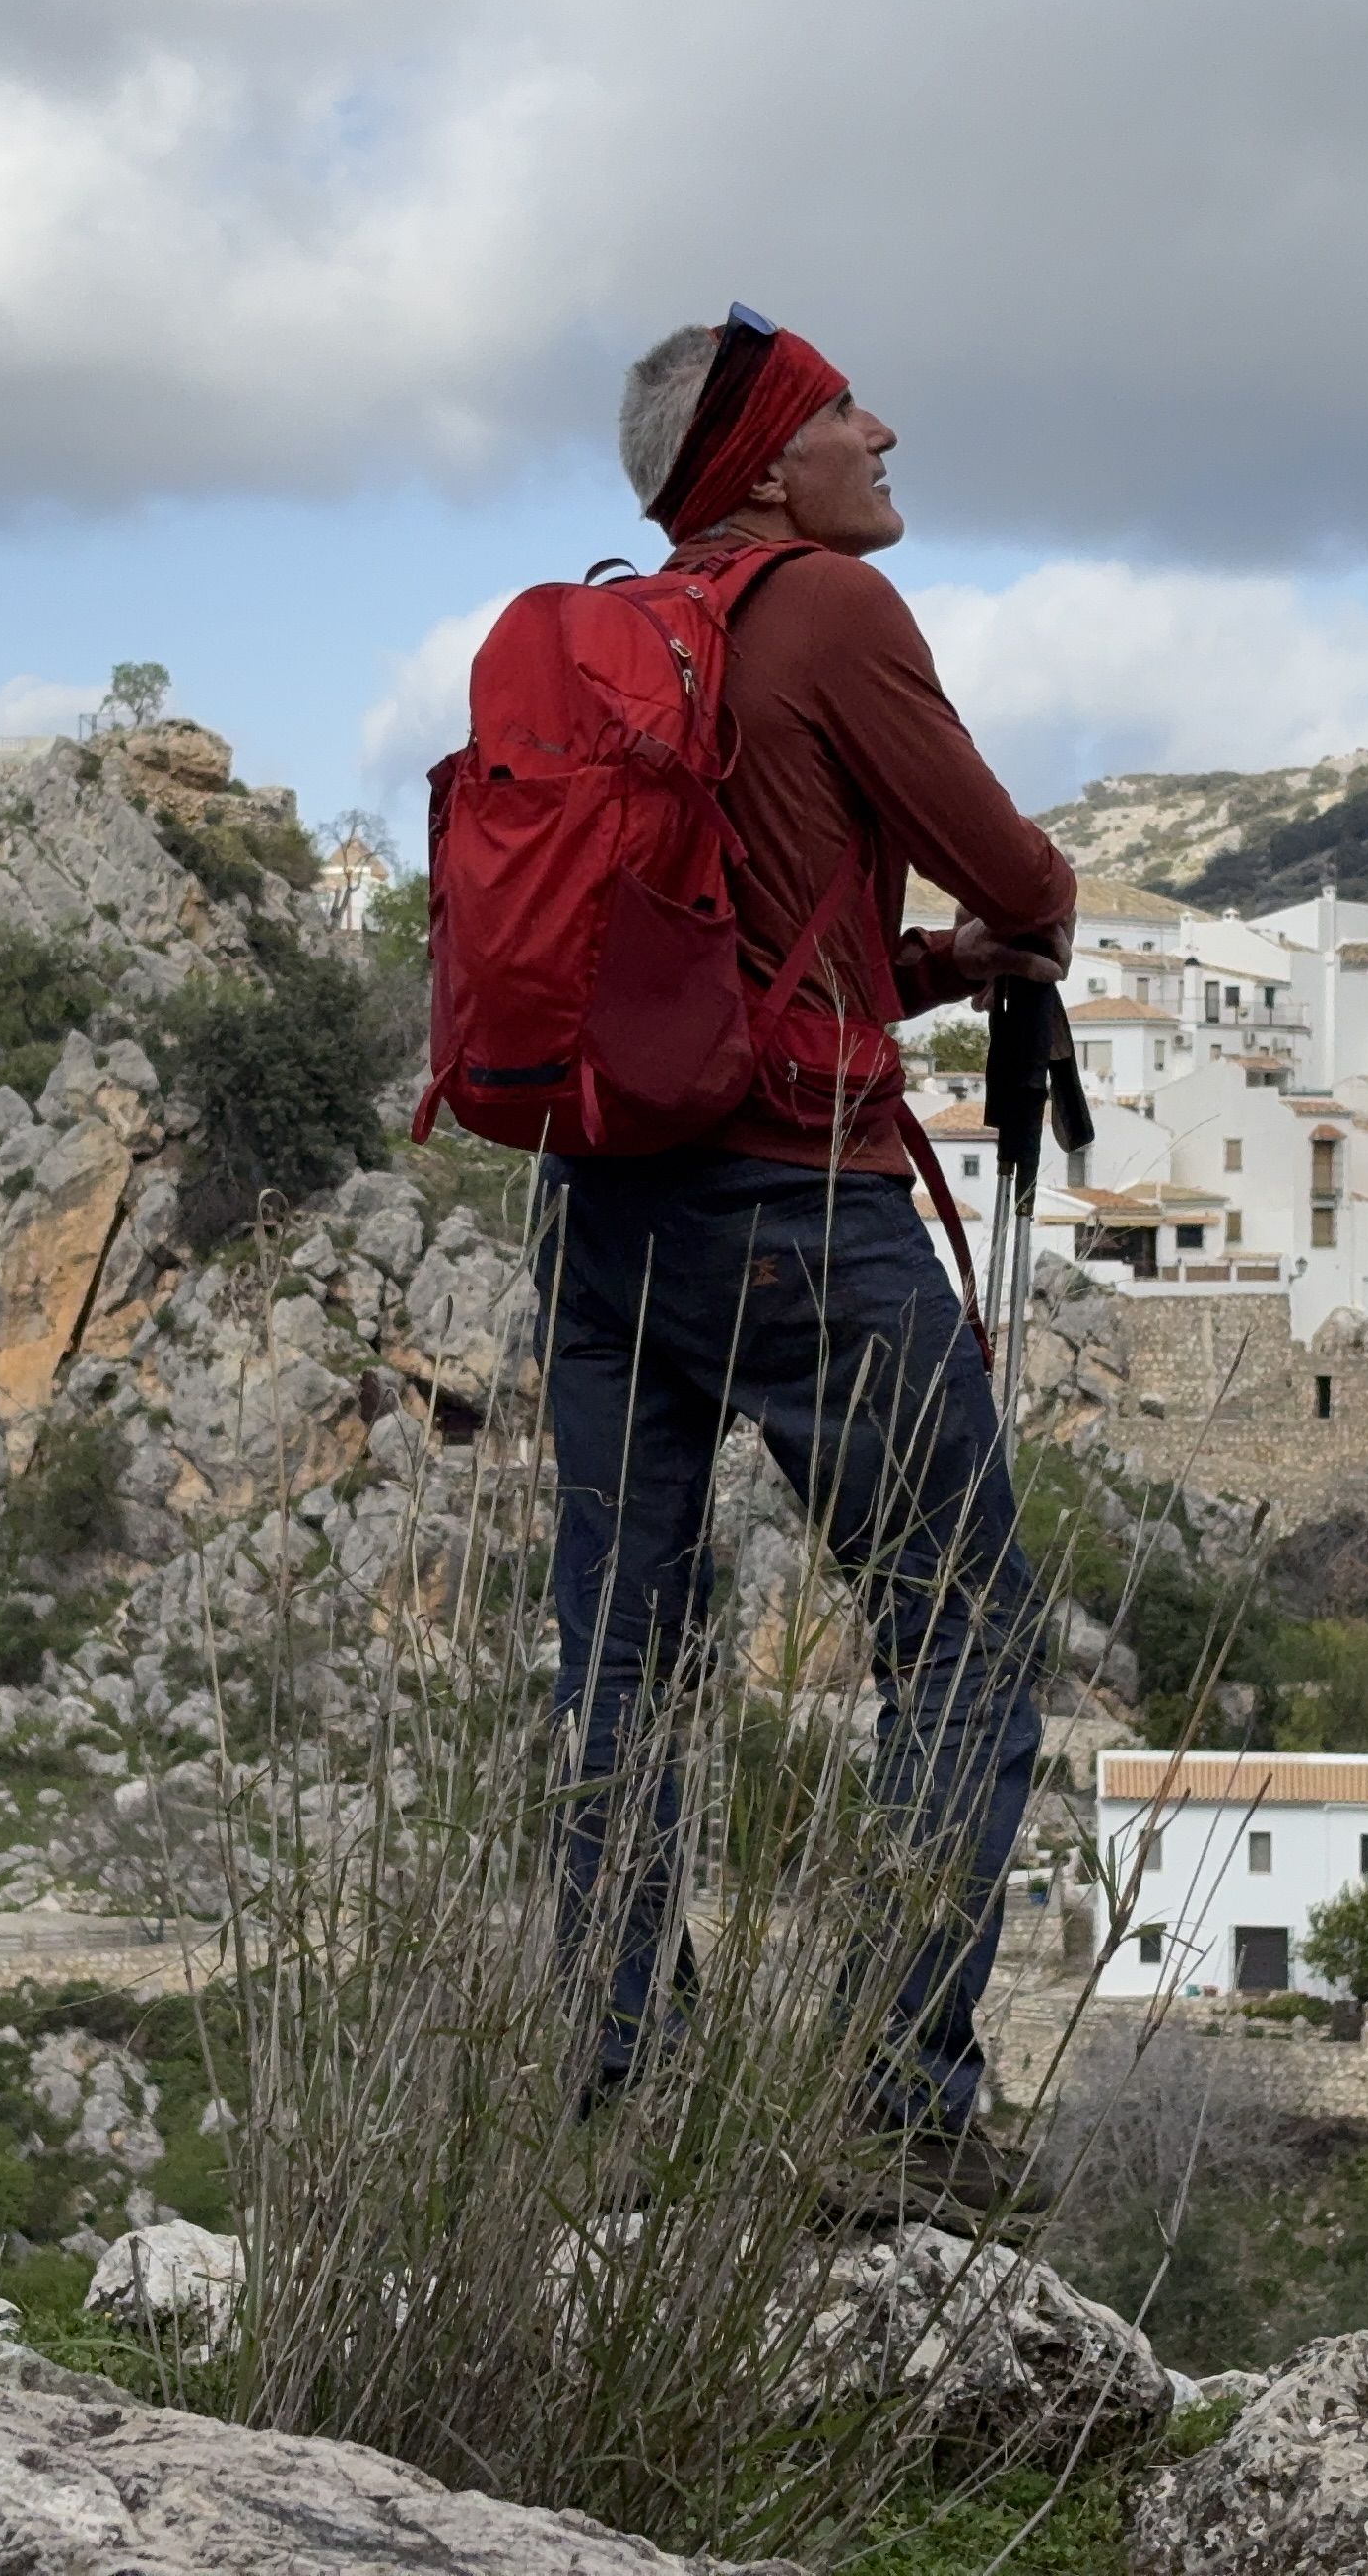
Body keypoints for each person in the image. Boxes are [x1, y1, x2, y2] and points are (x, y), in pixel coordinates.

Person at [536, 309, 1075, 2206]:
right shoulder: (830, 612)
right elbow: (1022, 873)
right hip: (796, 1212)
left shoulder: (635, 637)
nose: (886, 430)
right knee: (963, 1631)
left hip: (609, 1212)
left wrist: (920, 974)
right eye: (851, 411)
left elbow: (746, 948)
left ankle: (610, 2100)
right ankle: (899, 2107)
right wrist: (1020, 931)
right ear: (769, 463)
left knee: (619, 1647)